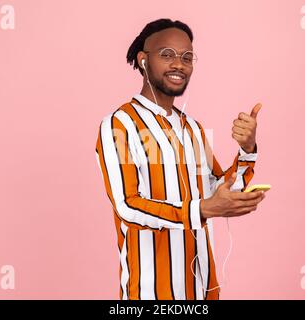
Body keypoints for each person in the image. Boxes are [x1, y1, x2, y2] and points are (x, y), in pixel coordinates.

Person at [95, 18, 266, 300]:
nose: (179, 64)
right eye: (167, 55)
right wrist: (200, 210)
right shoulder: (120, 124)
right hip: (150, 293)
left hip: (203, 290)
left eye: (187, 57)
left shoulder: (192, 129)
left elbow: (217, 192)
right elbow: (128, 205)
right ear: (143, 61)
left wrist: (247, 150)